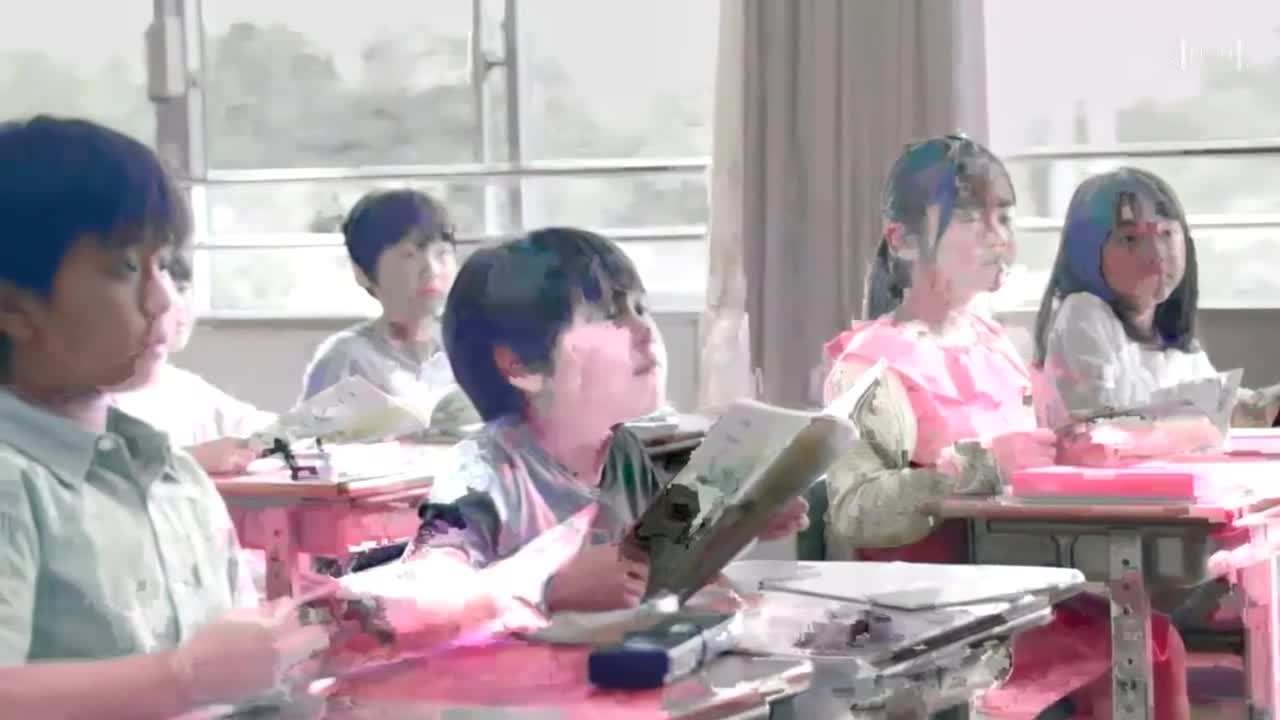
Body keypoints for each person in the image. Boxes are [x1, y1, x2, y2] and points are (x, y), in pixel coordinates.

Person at [820, 136, 1188, 719]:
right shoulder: (872, 365)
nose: (998, 237)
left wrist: (1074, 448)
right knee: (1130, 645)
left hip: (1024, 598)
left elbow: (1033, 451)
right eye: (970, 218)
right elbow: (854, 510)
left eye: (1005, 217)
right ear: (903, 240)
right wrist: (982, 466)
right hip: (943, 625)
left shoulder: (995, 344)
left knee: (1153, 638)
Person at [0, 115, 329, 718]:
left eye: (166, 265)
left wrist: (296, 658)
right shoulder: (11, 481)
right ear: (14, 307)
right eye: (126, 268)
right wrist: (180, 679)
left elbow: (236, 686)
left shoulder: (176, 478)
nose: (162, 301)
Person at [404, 227, 809, 613]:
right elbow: (421, 594)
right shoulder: (481, 472)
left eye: (641, 308)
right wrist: (548, 588)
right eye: (610, 315)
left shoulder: (634, 453)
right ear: (522, 364)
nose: (645, 330)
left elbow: (667, 568)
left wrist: (741, 522)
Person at [1033, 167, 1280, 427]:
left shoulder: (1173, 341)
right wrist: (1212, 410)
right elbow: (1098, 426)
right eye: (1130, 238)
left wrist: (1262, 407)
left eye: (1166, 233)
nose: (1156, 252)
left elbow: (1214, 407)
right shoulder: (1083, 314)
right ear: (1087, 253)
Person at [299, 190, 476, 426]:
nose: (431, 269)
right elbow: (309, 439)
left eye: (442, 253)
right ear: (362, 272)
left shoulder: (473, 347)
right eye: (409, 255)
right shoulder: (346, 357)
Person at [109, 251, 276, 475]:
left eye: (182, 289)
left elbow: (257, 424)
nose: (174, 303)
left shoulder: (182, 385)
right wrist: (192, 458)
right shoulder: (91, 395)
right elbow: (99, 468)